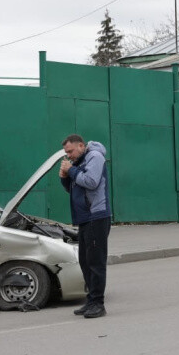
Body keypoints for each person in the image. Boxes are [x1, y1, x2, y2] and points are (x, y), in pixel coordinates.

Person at [59, 134, 111, 319]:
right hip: (84, 218)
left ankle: (98, 304)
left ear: (81, 145)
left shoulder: (95, 157)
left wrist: (71, 171)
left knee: (96, 262)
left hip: (96, 216)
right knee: (85, 261)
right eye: (66, 153)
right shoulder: (79, 161)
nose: (69, 155)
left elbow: (91, 182)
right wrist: (65, 177)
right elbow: (74, 188)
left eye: (71, 151)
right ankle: (90, 300)